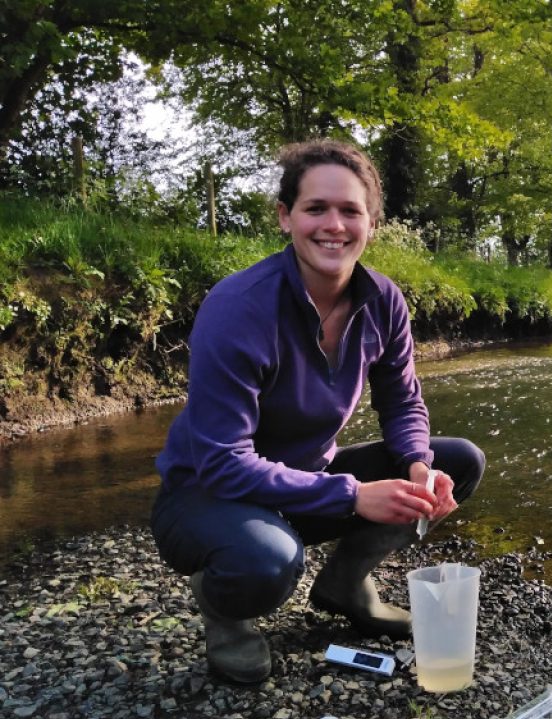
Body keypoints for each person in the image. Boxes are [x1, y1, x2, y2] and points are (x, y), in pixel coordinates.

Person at [150, 139, 486, 684]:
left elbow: (402, 401)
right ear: (286, 217)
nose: (334, 225)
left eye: (351, 210)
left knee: (460, 461)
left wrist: (419, 466)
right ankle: (225, 613)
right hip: (205, 492)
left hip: (305, 476)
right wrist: (353, 495)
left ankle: (345, 585)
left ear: (372, 224)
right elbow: (222, 461)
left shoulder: (384, 301)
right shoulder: (238, 308)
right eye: (316, 209)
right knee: (270, 560)